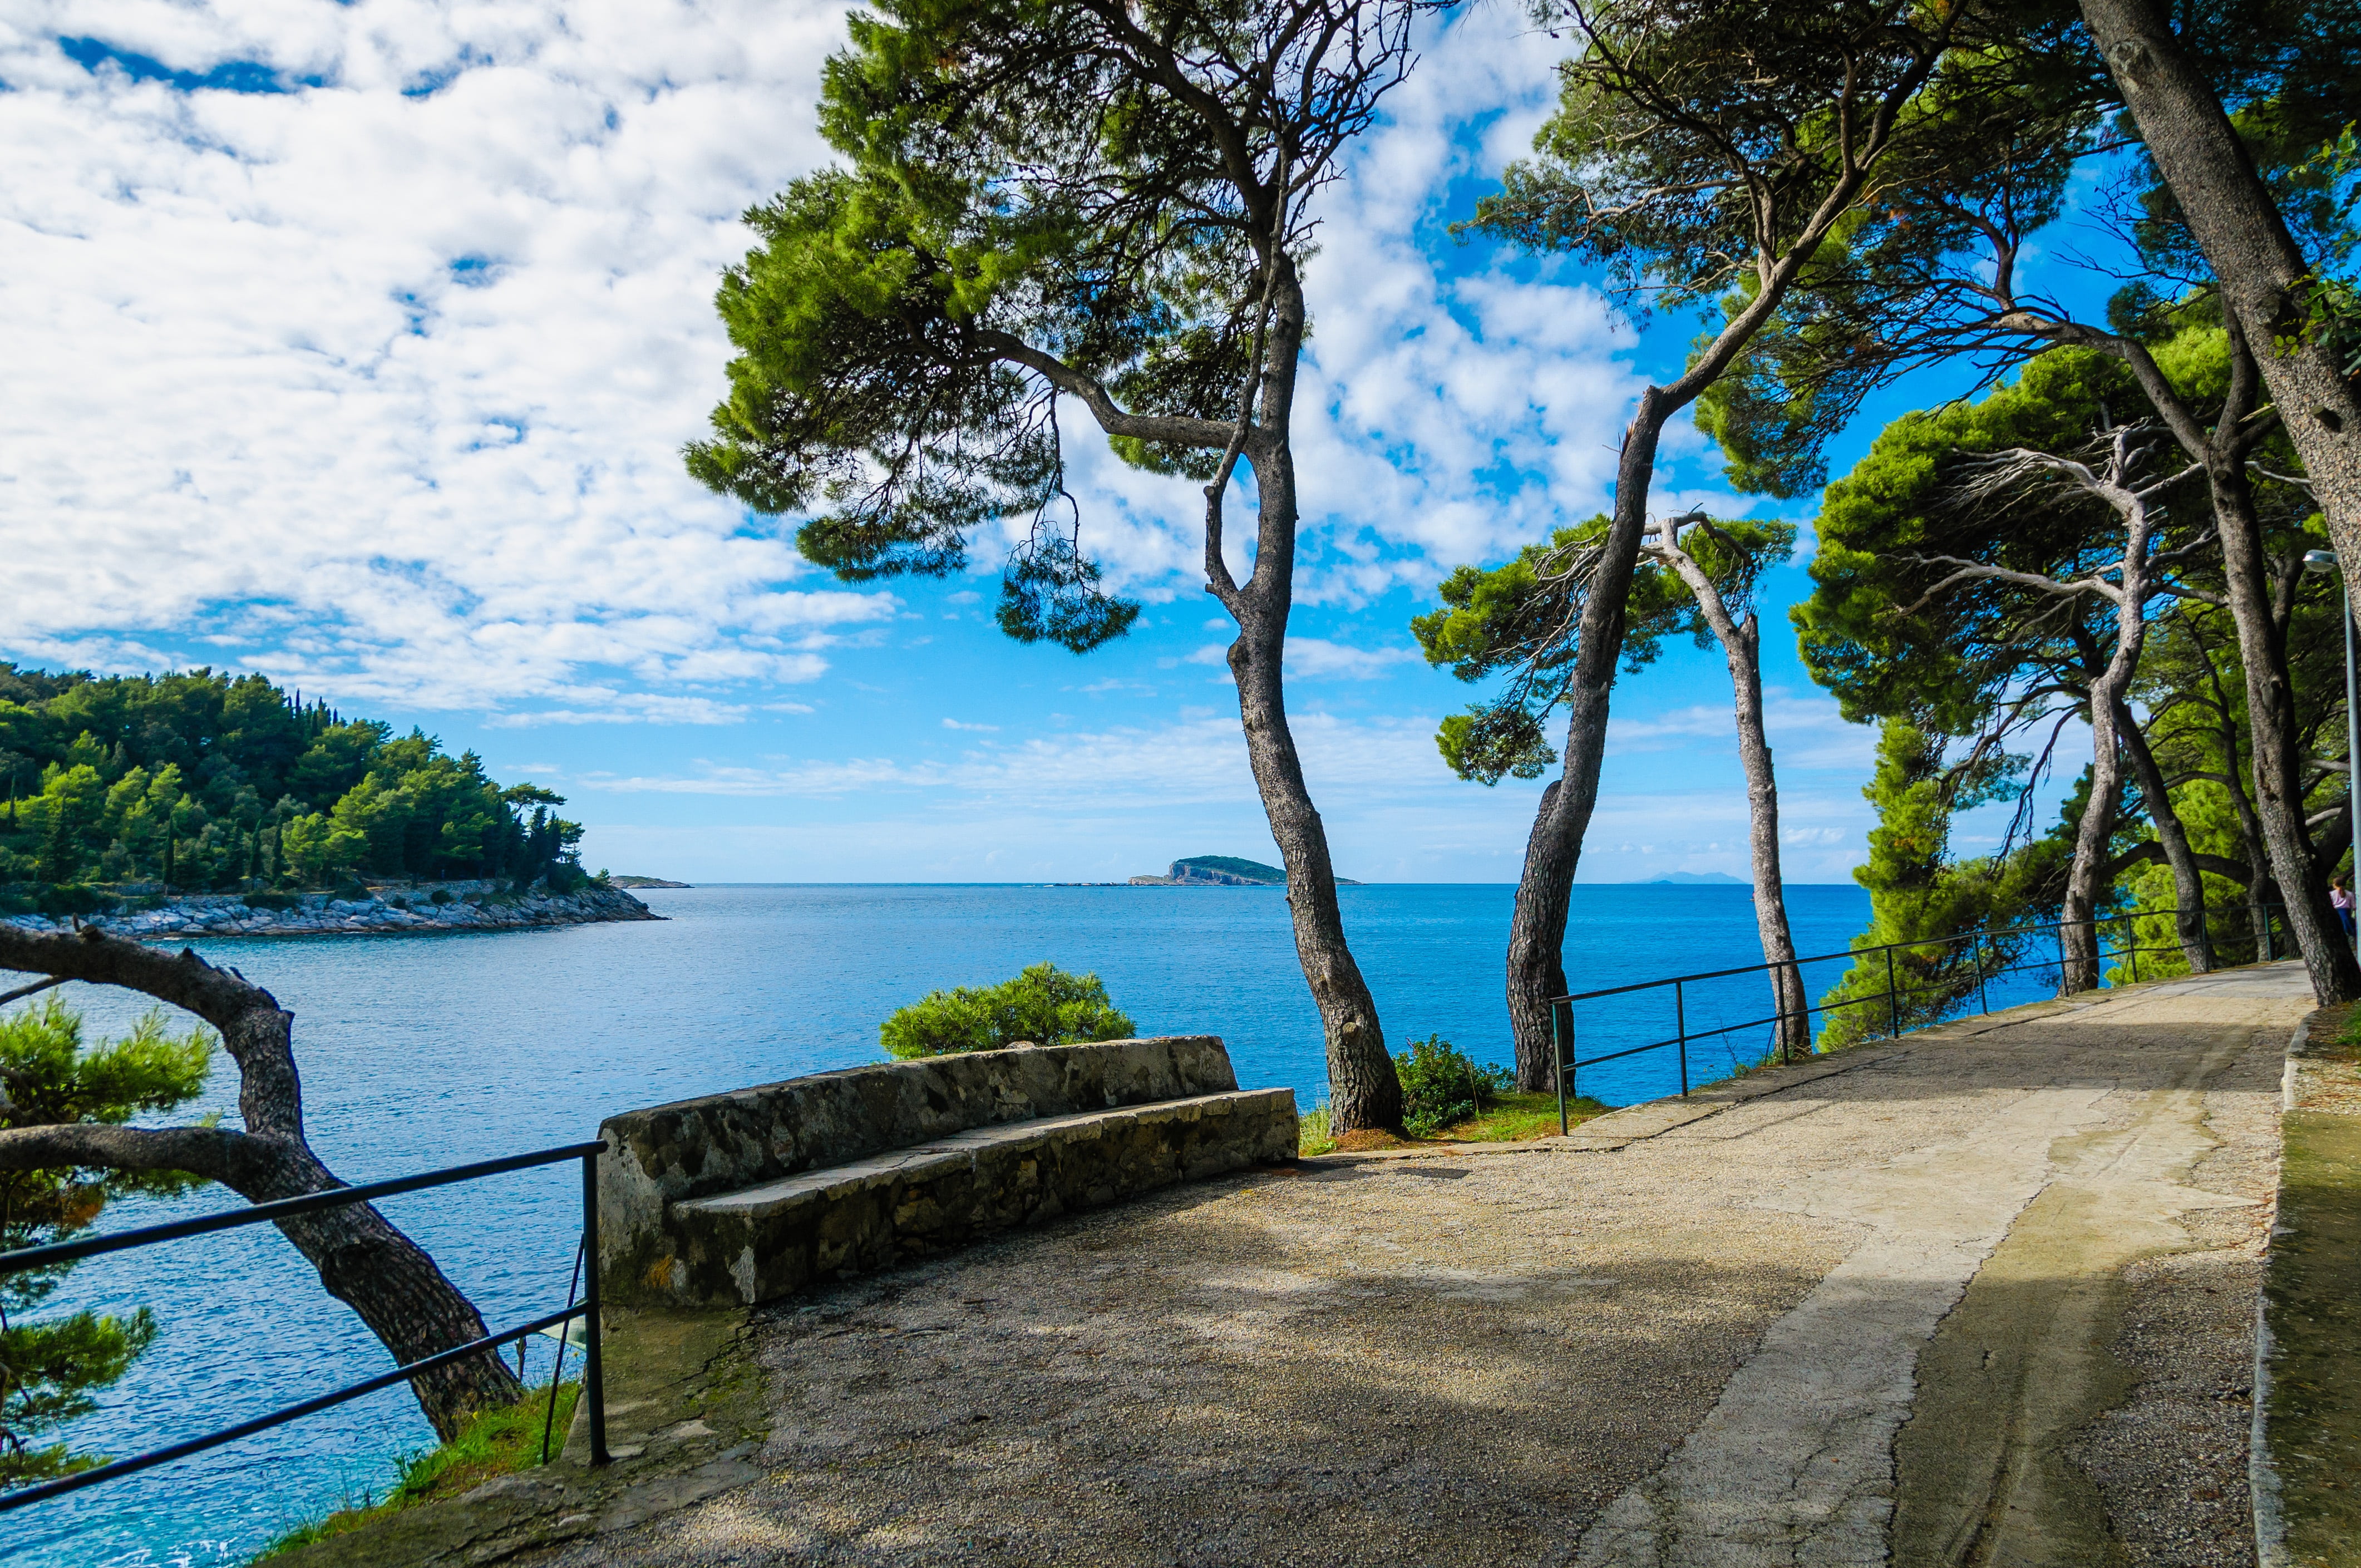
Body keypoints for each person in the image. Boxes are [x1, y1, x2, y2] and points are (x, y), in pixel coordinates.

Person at [2334, 877, 2356, 942]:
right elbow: (2354, 906)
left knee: (2347, 928)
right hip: (2346, 912)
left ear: (2335, 884)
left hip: (2341, 912)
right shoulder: (2350, 894)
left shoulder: (2332, 894)